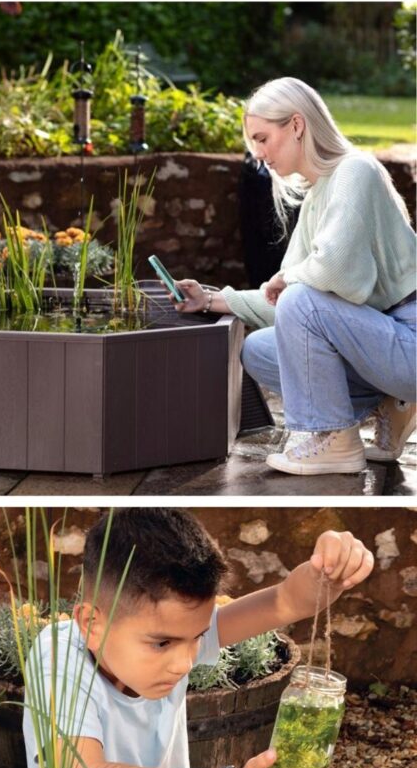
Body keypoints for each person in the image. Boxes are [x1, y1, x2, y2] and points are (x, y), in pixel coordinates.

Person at [22, 509, 373, 768]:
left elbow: (286, 601)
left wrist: (326, 570)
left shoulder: (175, 631)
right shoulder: (56, 658)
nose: (184, 662)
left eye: (198, 638)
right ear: (91, 624)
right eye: (162, 644)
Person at [172, 76, 416, 476]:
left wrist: (291, 280)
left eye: (263, 138)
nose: (259, 153)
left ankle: (333, 440)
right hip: (383, 343)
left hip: (410, 339)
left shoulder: (356, 170)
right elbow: (286, 307)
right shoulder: (317, 198)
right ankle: (391, 405)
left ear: (297, 126)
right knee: (259, 350)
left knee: (301, 298)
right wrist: (212, 299)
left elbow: (332, 272)